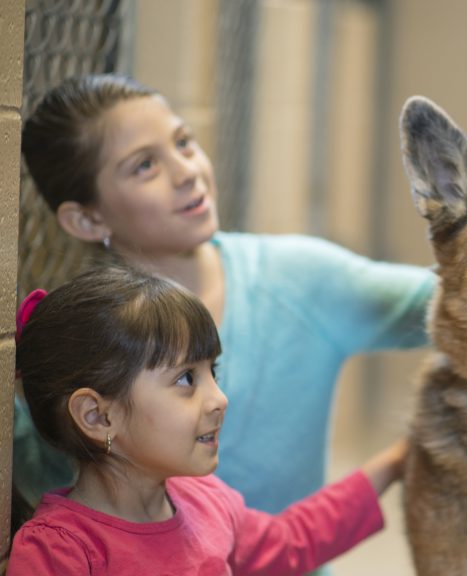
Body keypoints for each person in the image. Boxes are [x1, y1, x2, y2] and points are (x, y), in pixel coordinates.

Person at [17, 74, 435, 521]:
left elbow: (463, 299)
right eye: (144, 166)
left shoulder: (301, 279)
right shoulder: (72, 348)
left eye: (184, 142)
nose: (187, 172)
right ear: (86, 220)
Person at [7, 266, 408, 575]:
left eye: (212, 373)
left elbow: (292, 541)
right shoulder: (61, 552)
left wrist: (395, 462)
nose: (219, 399)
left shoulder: (206, 501)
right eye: (186, 379)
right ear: (98, 416)